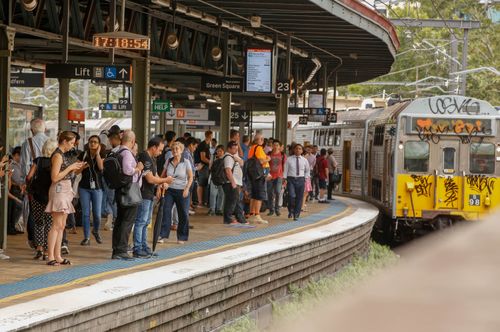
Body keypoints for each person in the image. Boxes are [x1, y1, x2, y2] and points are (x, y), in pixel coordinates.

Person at [45, 131, 86, 266]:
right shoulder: (57, 155)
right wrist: (70, 168)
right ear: (64, 141)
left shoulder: (63, 155)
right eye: (71, 143)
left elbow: (65, 173)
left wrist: (75, 168)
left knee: (62, 226)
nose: (73, 146)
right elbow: (55, 177)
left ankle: (58, 255)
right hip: (59, 189)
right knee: (56, 225)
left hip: (66, 189)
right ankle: (50, 255)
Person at [133, 137, 173, 258]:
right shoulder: (145, 157)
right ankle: (137, 248)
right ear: (153, 147)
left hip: (149, 194)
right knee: (141, 221)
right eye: (160, 150)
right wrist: (166, 179)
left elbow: (155, 175)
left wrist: (161, 184)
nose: (160, 153)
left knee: (146, 222)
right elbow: (150, 179)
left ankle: (144, 246)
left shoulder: (152, 159)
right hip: (143, 194)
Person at [112, 130, 144, 260]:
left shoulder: (118, 152)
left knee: (120, 220)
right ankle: (122, 250)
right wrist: (138, 168)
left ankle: (117, 249)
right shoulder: (127, 154)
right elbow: (127, 170)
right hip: (129, 192)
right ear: (132, 141)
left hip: (122, 190)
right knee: (127, 221)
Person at [26, 139, 58, 260]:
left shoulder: (37, 160)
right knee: (49, 224)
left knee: (39, 222)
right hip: (50, 196)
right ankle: (46, 250)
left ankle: (39, 249)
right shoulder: (54, 162)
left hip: (37, 196)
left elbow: (29, 176)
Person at [21, 118, 49, 249]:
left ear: (32, 130)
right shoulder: (51, 142)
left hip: (34, 184)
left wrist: (25, 182)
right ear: (45, 129)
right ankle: (48, 242)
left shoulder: (28, 143)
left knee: (34, 212)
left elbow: (25, 164)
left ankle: (35, 241)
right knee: (49, 213)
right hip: (50, 182)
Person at [159, 142, 193, 244]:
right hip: (169, 190)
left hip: (182, 190)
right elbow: (163, 175)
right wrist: (159, 186)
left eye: (177, 149)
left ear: (181, 150)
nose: (175, 151)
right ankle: (163, 235)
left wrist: (187, 188)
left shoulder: (186, 162)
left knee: (183, 214)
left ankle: (182, 237)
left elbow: (191, 177)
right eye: (173, 149)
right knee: (166, 211)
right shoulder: (168, 161)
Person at [78, 135, 105, 246]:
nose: (93, 144)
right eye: (91, 142)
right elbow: (75, 172)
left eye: (95, 142)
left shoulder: (102, 154)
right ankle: (87, 237)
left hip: (97, 188)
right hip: (84, 188)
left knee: (97, 214)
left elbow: (101, 167)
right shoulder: (83, 155)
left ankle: (96, 231)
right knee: (86, 214)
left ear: (99, 144)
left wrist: (97, 154)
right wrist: (82, 167)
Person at [283, 144, 310, 221]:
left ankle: (296, 214)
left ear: (302, 151)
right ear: (294, 150)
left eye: (300, 149)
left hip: (301, 180)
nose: (298, 150)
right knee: (291, 196)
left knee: (299, 198)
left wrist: (305, 178)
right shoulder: (289, 159)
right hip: (291, 179)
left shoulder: (305, 160)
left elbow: (307, 171)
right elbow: (286, 169)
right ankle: (291, 210)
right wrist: (284, 178)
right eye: (296, 148)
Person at [222, 141, 247, 225]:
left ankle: (240, 218)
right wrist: (233, 182)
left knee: (235, 201)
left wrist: (237, 158)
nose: (236, 150)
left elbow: (242, 162)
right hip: (231, 182)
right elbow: (228, 171)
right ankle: (228, 219)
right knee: (231, 201)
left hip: (235, 182)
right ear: (229, 148)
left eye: (236, 148)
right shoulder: (228, 157)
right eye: (234, 148)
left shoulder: (233, 156)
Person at [247, 133, 270, 224]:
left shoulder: (252, 148)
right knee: (259, 196)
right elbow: (261, 160)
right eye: (262, 139)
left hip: (254, 175)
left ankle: (252, 213)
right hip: (259, 175)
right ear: (260, 140)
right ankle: (257, 215)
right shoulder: (259, 148)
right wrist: (268, 159)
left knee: (254, 195)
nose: (263, 140)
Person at [7, 147, 24, 235]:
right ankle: (10, 227)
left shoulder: (18, 164)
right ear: (16, 155)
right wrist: (18, 185)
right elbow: (10, 178)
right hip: (13, 189)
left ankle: (12, 226)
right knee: (14, 207)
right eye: (21, 156)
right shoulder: (11, 164)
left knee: (17, 208)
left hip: (18, 188)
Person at [267, 140, 286, 217]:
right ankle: (271, 210)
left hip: (279, 176)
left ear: (279, 146)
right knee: (270, 193)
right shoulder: (268, 154)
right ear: (272, 146)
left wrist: (284, 177)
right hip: (270, 176)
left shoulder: (282, 155)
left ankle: (277, 209)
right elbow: (265, 165)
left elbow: (285, 166)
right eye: (274, 145)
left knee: (278, 192)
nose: (275, 146)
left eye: (277, 145)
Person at [194, 131, 212, 207]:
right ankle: (200, 202)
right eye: (211, 136)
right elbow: (203, 158)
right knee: (201, 184)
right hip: (202, 166)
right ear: (208, 136)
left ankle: (202, 201)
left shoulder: (207, 145)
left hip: (205, 166)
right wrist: (211, 162)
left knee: (204, 183)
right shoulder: (203, 145)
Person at [208, 145, 225, 216]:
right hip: (214, 179)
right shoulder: (214, 159)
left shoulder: (226, 159)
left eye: (221, 151)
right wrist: (212, 158)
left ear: (224, 152)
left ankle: (219, 209)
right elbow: (210, 168)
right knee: (213, 194)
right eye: (218, 151)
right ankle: (212, 209)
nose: (219, 152)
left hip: (223, 179)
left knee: (221, 194)